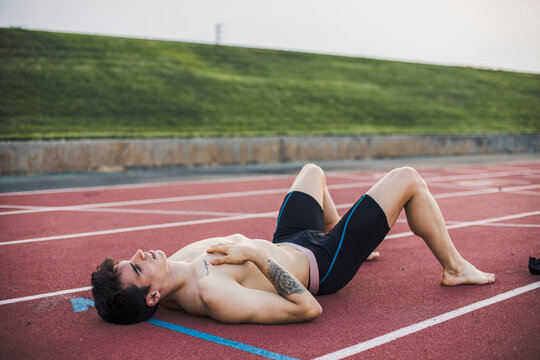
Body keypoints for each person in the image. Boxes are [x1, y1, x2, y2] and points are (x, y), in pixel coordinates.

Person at [91, 164, 495, 325]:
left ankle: (348, 232)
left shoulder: (174, 266)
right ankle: (455, 268)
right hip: (323, 263)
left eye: (134, 258)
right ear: (152, 296)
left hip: (291, 240)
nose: (141, 253)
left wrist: (261, 250)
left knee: (312, 172)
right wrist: (253, 253)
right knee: (408, 179)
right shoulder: (213, 295)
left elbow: (126, 295)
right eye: (139, 267)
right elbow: (307, 307)